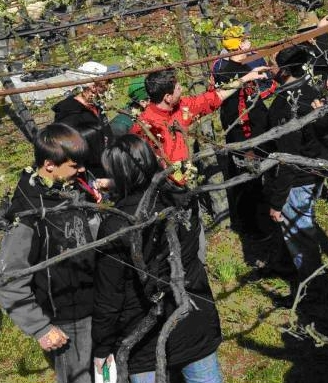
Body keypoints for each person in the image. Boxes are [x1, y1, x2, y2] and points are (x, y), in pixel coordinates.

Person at [91, 135, 223, 383]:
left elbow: (109, 295)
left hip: (144, 333)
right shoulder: (181, 200)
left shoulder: (118, 225)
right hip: (192, 314)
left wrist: (102, 347)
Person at [0, 124, 97, 383]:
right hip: (65, 319)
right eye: (75, 166)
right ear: (49, 164)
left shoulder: (69, 188)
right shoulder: (27, 215)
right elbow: (10, 279)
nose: (82, 171)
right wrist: (40, 327)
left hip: (95, 304)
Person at [264, 45, 327, 288]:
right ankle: (290, 269)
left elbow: (288, 156)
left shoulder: (287, 106)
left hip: (297, 181)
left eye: (273, 65)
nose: (270, 69)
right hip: (311, 171)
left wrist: (278, 200)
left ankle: (313, 287)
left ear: (285, 71)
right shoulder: (307, 91)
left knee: (300, 236)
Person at [130, 66, 267, 168]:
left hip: (185, 180)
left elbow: (216, 96)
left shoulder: (181, 106)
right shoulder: (144, 127)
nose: (181, 90)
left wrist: (247, 77)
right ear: (167, 97)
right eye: (178, 88)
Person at [213, 25, 272, 238]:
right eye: (245, 40)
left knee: (251, 176)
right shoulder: (233, 72)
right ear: (238, 45)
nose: (249, 43)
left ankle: (252, 219)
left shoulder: (227, 67)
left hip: (245, 129)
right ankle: (251, 226)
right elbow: (241, 107)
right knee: (249, 178)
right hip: (244, 132)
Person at [52, 61, 118, 177]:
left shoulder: (96, 106)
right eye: (107, 82)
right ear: (93, 86)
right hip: (90, 173)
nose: (109, 86)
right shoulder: (70, 115)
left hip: (107, 165)